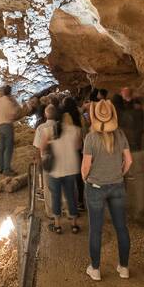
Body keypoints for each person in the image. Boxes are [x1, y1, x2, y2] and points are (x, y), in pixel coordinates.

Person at [82, 97, 133, 281]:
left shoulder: (91, 138)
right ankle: (124, 268)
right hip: (117, 185)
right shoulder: (120, 135)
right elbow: (129, 161)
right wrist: (120, 173)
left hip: (96, 187)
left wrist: (85, 178)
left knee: (96, 230)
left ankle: (95, 269)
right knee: (121, 228)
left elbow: (86, 166)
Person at [41, 101, 82, 234]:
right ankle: (74, 224)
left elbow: (43, 148)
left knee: (55, 197)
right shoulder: (76, 130)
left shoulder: (49, 130)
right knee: (71, 196)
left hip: (55, 171)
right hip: (70, 169)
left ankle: (57, 225)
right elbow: (78, 148)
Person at [62, 96, 86, 212]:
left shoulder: (65, 116)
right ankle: (81, 201)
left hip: (68, 150)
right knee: (79, 177)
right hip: (79, 148)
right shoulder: (79, 115)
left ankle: (72, 203)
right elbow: (84, 132)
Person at [33, 104, 58, 217]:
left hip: (46, 158)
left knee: (48, 187)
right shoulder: (60, 126)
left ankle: (51, 212)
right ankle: (61, 208)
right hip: (60, 158)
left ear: (45, 114)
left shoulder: (41, 128)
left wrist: (38, 160)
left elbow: (38, 147)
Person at [0, 85, 23, 176]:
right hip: (7, 126)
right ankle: (7, 169)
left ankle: (0, 167)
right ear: (10, 92)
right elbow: (14, 113)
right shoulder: (9, 102)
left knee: (2, 148)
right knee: (8, 148)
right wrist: (16, 104)